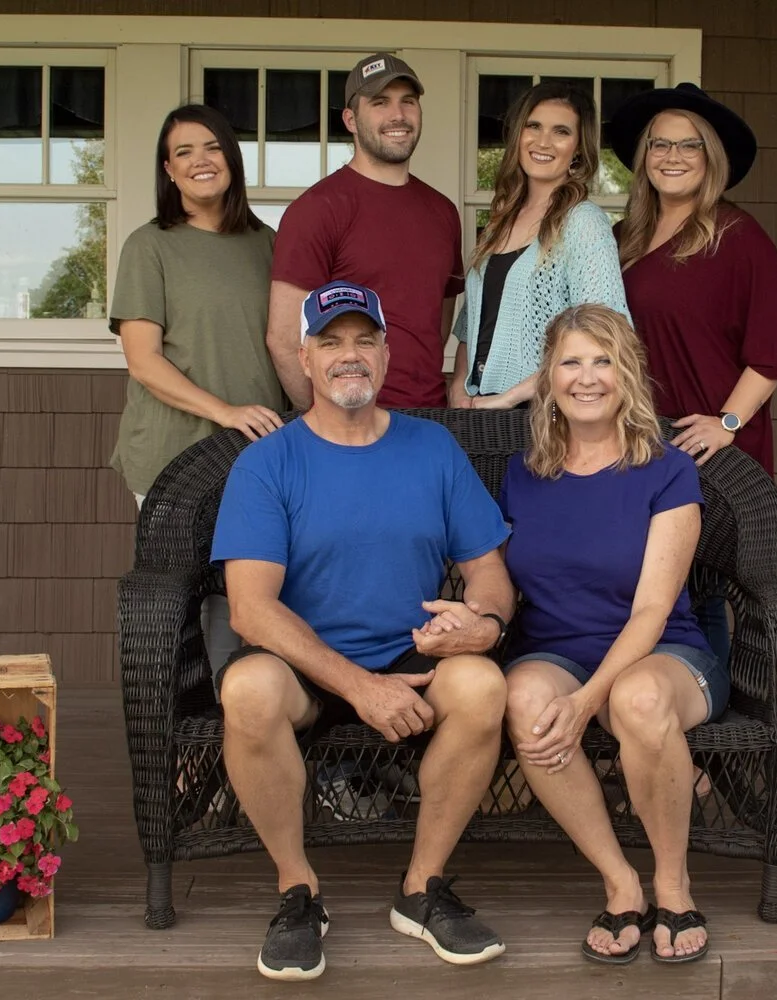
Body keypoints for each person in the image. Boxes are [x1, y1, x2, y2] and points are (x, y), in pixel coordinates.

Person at [212, 279, 516, 981]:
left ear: (385, 354)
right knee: (249, 691)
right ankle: (299, 893)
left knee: (481, 686)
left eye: (363, 340)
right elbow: (251, 609)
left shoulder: (431, 449)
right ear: (306, 360)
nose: (349, 356)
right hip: (303, 670)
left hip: (410, 658)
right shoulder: (269, 463)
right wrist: (360, 687)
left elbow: (490, 572)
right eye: (331, 343)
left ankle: (422, 887)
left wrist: (485, 624)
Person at [497, 304, 728, 965]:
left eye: (604, 361)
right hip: (555, 648)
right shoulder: (523, 473)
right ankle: (620, 882)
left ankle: (672, 883)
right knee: (524, 703)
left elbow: (653, 610)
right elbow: (502, 579)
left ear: (627, 375)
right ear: (549, 377)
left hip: (666, 652)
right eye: (571, 361)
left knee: (638, 700)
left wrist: (588, 699)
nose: (587, 377)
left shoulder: (667, 470)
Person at [607, 83, 777, 665]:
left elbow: (773, 351)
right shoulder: (623, 240)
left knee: (696, 592)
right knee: (640, 588)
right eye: (659, 144)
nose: (672, 155)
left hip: (702, 447)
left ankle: (699, 729)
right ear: (644, 156)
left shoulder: (739, 238)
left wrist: (727, 423)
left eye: (689, 145)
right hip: (635, 442)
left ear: (711, 157)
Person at [109, 103, 286, 671]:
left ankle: (237, 740)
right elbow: (143, 360)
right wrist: (226, 411)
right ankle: (183, 752)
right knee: (179, 607)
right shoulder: (150, 245)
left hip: (257, 456)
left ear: (231, 158)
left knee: (247, 603)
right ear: (168, 170)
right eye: (183, 152)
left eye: (211, 147)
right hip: (171, 454)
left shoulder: (269, 243)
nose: (199, 160)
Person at [267, 53, 463, 410]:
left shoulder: (443, 212)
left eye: (408, 101)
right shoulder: (316, 210)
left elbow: (437, 323)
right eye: (380, 102)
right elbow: (283, 340)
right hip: (351, 426)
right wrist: (326, 426)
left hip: (431, 419)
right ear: (350, 119)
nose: (398, 115)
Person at [450, 81, 628, 409]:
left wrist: (511, 397)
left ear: (578, 148)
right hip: (480, 409)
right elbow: (471, 321)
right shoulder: (500, 220)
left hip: (546, 412)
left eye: (561, 131)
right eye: (534, 126)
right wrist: (459, 385)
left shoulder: (582, 222)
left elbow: (606, 336)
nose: (543, 141)